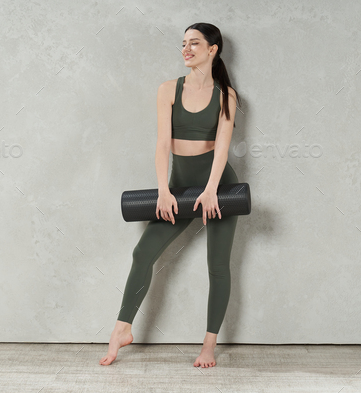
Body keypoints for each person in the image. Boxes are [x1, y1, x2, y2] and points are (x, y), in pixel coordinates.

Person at [100, 22, 243, 368]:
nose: (186, 49)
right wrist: (164, 191)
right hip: (177, 189)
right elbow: (163, 144)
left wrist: (211, 191)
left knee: (218, 266)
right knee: (143, 252)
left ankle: (208, 346)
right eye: (183, 43)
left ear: (213, 49)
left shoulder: (227, 95)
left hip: (219, 188)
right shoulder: (168, 89)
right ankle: (122, 328)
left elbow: (223, 150)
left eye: (194, 43)